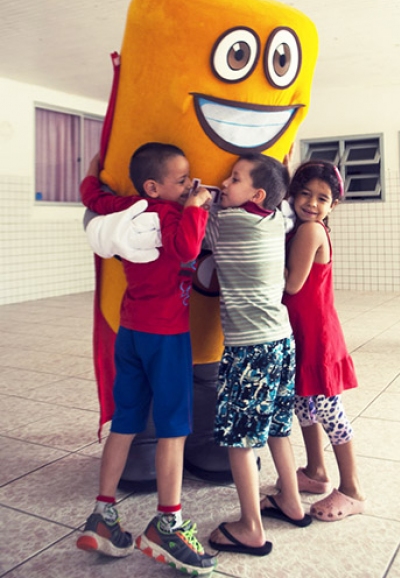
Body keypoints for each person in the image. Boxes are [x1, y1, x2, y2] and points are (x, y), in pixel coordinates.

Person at [77, 142, 217, 576]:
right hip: (166, 337)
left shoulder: (128, 206)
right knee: (173, 428)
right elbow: (188, 249)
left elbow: (93, 198)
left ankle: (103, 515)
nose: (189, 185)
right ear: (154, 186)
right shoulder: (172, 215)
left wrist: (93, 171)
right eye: (182, 180)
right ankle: (167, 525)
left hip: (131, 332)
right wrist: (196, 207)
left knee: (125, 422)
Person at [205, 154, 311, 558]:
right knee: (278, 427)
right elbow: (284, 205)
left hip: (249, 349)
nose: (223, 183)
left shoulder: (229, 223)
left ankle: (251, 527)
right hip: (281, 341)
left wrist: (195, 198)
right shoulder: (275, 220)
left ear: (258, 195)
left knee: (239, 440)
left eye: (234, 179)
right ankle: (291, 501)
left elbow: (195, 220)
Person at [280, 159, 365, 521]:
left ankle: (353, 490)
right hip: (302, 331)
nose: (312, 203)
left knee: (328, 410)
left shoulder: (311, 231)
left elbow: (291, 284)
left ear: (333, 205)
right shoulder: (300, 229)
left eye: (322, 198)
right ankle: (315, 472)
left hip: (317, 335)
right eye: (304, 193)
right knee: (304, 405)